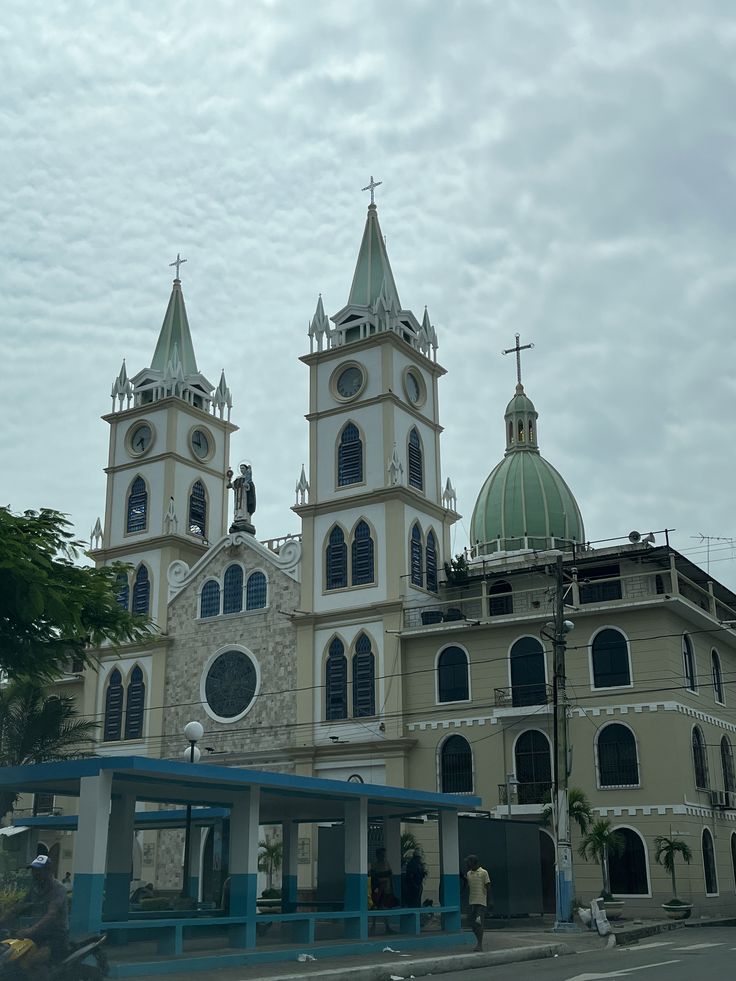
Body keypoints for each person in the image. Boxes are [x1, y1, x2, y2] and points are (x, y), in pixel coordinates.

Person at [3, 854, 69, 971]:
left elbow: (51, 914)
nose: (35, 874)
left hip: (55, 936)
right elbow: (18, 908)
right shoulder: (34, 889)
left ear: (48, 871)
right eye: (33, 870)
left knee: (32, 961)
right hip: (36, 935)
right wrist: (3, 920)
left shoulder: (59, 889)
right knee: (13, 958)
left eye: (38, 870)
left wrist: (30, 930)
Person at [463, 854, 491, 952]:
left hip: (481, 902)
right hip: (472, 902)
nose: (467, 864)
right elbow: (467, 887)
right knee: (471, 923)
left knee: (479, 922)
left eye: (468, 862)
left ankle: (480, 944)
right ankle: (478, 940)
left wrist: (489, 901)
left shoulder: (484, 872)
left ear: (473, 862)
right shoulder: (468, 874)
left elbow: (488, 887)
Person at [369, 848, 396, 934]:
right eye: (382, 854)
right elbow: (373, 876)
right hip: (378, 889)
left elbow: (390, 875)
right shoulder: (374, 864)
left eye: (384, 854)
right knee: (375, 907)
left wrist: (392, 888)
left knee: (386, 908)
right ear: (378, 855)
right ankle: (373, 925)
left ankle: (387, 926)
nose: (383, 856)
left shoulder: (386, 863)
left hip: (386, 889)